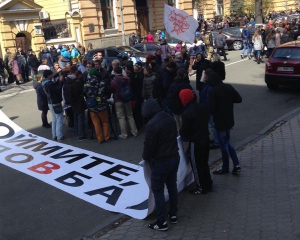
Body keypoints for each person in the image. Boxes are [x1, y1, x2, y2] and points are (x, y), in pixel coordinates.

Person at [142, 98, 180, 231]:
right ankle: (173, 214)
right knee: (172, 186)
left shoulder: (152, 125)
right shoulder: (169, 117)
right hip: (174, 157)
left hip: (160, 162)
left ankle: (161, 221)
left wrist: (145, 157)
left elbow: (149, 146)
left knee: (158, 191)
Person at [208, 72, 242, 175]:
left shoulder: (213, 92)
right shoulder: (228, 87)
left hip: (220, 121)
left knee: (224, 144)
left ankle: (227, 166)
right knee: (227, 141)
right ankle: (235, 164)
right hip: (229, 120)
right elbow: (238, 99)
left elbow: (211, 109)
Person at [179, 89, 213, 194]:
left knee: (197, 166)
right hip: (205, 138)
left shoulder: (186, 113)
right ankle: (208, 183)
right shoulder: (202, 107)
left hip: (196, 142)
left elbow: (184, 131)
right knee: (204, 163)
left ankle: (200, 187)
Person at [84, 68, 111, 143]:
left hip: (92, 105)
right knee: (105, 122)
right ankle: (107, 137)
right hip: (101, 104)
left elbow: (84, 92)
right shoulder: (102, 82)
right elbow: (107, 91)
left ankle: (100, 139)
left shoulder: (87, 82)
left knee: (96, 123)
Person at [110, 66, 138, 139]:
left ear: (115, 72)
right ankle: (134, 131)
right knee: (130, 115)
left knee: (121, 117)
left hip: (118, 100)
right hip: (127, 98)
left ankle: (124, 134)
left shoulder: (114, 81)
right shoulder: (127, 79)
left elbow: (112, 90)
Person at [63, 65, 87, 141]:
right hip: (79, 100)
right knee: (80, 118)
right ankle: (81, 135)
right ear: (76, 71)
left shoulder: (67, 80)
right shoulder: (77, 81)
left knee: (75, 117)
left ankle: (78, 133)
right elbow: (82, 91)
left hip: (71, 101)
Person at [42, 70, 66, 141]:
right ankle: (59, 135)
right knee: (59, 119)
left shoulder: (44, 82)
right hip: (55, 102)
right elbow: (57, 90)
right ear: (49, 75)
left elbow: (53, 88)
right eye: (51, 75)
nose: (52, 76)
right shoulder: (49, 83)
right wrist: (61, 81)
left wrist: (57, 81)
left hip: (50, 102)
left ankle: (54, 135)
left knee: (54, 119)